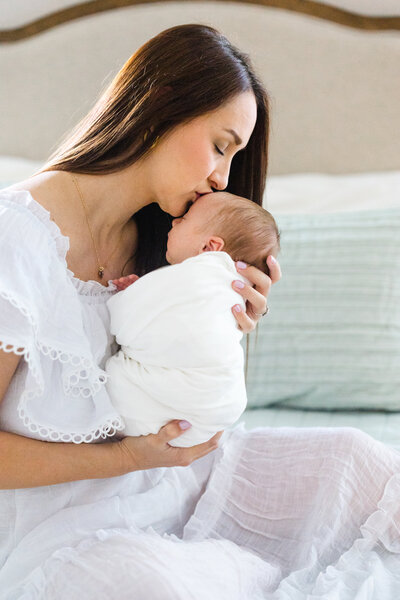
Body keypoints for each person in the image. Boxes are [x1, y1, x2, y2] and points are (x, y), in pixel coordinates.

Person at [0, 23, 399, 600]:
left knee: (360, 465)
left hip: (174, 479)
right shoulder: (15, 237)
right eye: (221, 145)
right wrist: (126, 458)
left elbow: (182, 402)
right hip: (62, 531)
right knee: (146, 584)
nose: (223, 179)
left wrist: (221, 327)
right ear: (161, 106)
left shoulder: (167, 242)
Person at [105, 192, 280, 447]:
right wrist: (143, 291)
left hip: (167, 405)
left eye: (185, 218)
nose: (174, 221)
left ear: (209, 248)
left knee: (118, 378)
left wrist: (132, 297)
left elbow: (121, 323)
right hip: (219, 409)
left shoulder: (202, 274)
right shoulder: (225, 286)